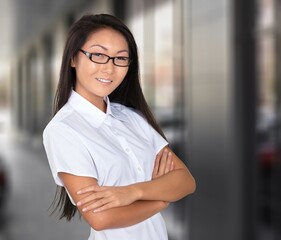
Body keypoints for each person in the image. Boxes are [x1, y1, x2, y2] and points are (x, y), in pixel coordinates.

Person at [43, 13, 196, 240]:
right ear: (73, 58)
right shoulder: (63, 130)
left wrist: (132, 193)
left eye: (120, 58)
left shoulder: (132, 118)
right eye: (98, 55)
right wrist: (162, 197)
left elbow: (186, 181)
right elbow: (101, 218)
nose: (109, 68)